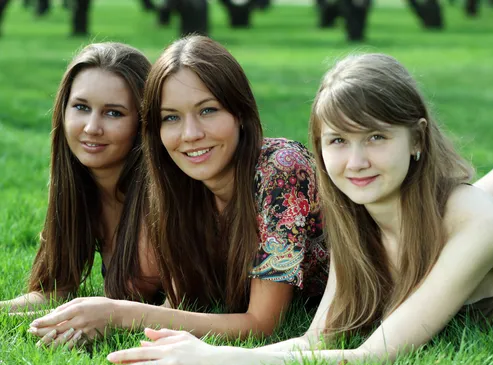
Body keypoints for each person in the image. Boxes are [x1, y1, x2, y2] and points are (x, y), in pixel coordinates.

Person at [103, 52, 493, 365]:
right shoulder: (356, 218)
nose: (355, 162)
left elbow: (375, 356)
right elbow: (318, 340)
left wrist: (223, 364)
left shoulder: (476, 220)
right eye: (338, 141)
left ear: (418, 139)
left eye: (376, 138)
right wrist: (207, 352)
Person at [27, 35, 329, 344]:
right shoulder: (182, 185)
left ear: (239, 111)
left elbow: (263, 324)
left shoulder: (282, 169)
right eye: (171, 117)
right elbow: (178, 306)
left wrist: (117, 314)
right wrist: (100, 321)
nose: (190, 134)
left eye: (207, 110)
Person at [1, 42, 164, 347]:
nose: (92, 127)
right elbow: (55, 289)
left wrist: (110, 320)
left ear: (143, 121)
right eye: (81, 107)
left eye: (113, 113)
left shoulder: (162, 198)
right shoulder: (80, 190)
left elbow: (187, 306)